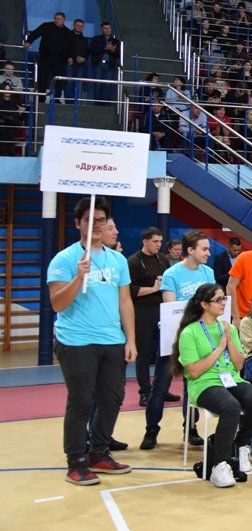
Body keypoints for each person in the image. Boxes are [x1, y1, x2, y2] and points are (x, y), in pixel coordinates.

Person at [47, 197, 135, 485]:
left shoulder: (118, 260)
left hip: (112, 340)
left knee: (112, 399)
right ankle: (76, 460)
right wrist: (77, 277)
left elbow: (125, 301)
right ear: (78, 224)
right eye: (90, 220)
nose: (96, 225)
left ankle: (99, 452)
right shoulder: (64, 259)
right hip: (76, 341)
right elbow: (58, 304)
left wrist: (130, 339)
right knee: (81, 401)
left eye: (101, 220)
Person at [172, 284, 252, 487]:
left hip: (231, 378)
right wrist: (219, 348)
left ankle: (241, 444)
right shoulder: (189, 332)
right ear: (204, 304)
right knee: (230, 406)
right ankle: (219, 465)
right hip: (204, 383)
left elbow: (239, 364)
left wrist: (230, 342)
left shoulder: (229, 327)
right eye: (218, 300)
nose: (223, 304)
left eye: (223, 299)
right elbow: (194, 371)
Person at [155, 230, 216, 450]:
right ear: (190, 250)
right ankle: (151, 430)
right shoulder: (172, 274)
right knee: (161, 385)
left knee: (192, 385)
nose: (208, 253)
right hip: (173, 337)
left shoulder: (208, 273)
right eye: (204, 249)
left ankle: (190, 428)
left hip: (198, 338)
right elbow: (172, 309)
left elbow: (213, 305)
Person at [126, 227, 172, 408]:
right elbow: (130, 290)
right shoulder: (133, 261)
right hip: (142, 310)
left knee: (165, 351)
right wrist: (153, 289)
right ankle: (145, 391)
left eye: (160, 242)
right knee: (144, 353)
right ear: (145, 241)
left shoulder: (162, 260)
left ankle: (161, 388)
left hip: (162, 309)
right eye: (155, 241)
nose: (158, 245)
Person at [23, 11, 73, 96]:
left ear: (64, 20)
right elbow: (35, 33)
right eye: (56, 19)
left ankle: (57, 99)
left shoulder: (67, 32)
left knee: (58, 80)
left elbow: (70, 46)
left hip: (59, 59)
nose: (57, 20)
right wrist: (29, 41)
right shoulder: (46, 26)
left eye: (59, 19)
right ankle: (41, 98)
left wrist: (70, 57)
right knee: (42, 78)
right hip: (45, 57)